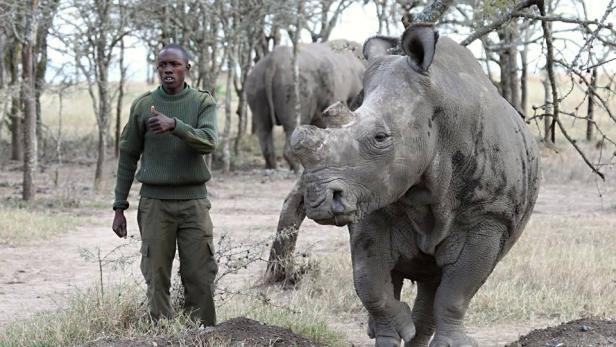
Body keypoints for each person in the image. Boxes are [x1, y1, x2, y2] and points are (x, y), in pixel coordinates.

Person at [111, 43, 218, 327]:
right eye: (162, 65)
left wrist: (175, 126)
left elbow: (209, 142)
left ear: (187, 68)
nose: (168, 70)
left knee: (200, 273)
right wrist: (119, 206)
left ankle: (203, 333)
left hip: (194, 203)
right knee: (156, 275)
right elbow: (128, 157)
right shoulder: (144, 106)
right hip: (154, 204)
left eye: (174, 65)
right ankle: (162, 333)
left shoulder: (202, 102)